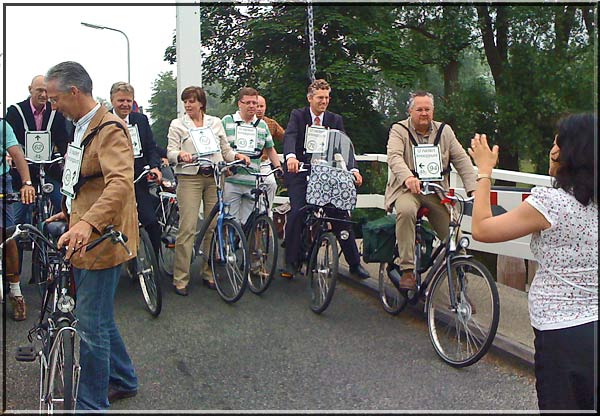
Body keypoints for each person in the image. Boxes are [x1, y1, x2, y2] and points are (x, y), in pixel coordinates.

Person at [469, 113, 597, 411]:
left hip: (561, 335)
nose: (552, 150)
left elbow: (482, 229)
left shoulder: (552, 204)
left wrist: (484, 172)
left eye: (556, 143)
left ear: (567, 153)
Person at [44, 61, 139, 410]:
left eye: (56, 99)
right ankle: (125, 379)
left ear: (74, 92)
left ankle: (91, 404)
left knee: (90, 324)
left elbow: (119, 184)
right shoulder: (83, 126)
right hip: (86, 233)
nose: (53, 106)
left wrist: (87, 223)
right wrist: (71, 213)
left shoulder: (109, 128)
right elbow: (86, 179)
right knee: (97, 316)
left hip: (103, 238)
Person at [384, 90, 477, 289]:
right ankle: (407, 269)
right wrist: (408, 177)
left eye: (427, 109)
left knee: (456, 239)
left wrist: (473, 189)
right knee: (406, 211)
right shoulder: (399, 130)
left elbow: (461, 159)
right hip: (407, 190)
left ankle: (460, 289)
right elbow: (394, 156)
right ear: (410, 111)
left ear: (433, 110)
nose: (424, 113)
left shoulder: (445, 131)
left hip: (435, 191)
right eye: (419, 109)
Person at [282, 79, 370, 279]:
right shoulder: (298, 115)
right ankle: (291, 261)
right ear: (310, 98)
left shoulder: (334, 119)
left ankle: (354, 263)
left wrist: (353, 169)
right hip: (301, 171)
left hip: (326, 174)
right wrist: (291, 157)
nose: (324, 101)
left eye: (327, 97)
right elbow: (290, 137)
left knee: (339, 214)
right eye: (320, 97)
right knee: (299, 211)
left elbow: (344, 146)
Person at [166, 86, 250, 295]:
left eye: (192, 101)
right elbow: (170, 152)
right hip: (189, 177)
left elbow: (225, 151)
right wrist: (180, 155)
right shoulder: (178, 125)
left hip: (213, 177)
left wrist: (237, 157)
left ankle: (208, 272)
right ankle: (181, 278)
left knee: (213, 226)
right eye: (185, 102)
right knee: (188, 226)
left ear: (201, 103)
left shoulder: (215, 123)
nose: (188, 105)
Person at [5, 75, 69, 221]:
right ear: (30, 90)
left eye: (46, 91)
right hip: (22, 172)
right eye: (39, 90)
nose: (44, 95)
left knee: (63, 204)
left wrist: (67, 156)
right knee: (16, 215)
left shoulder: (56, 112)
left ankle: (59, 239)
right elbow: (10, 141)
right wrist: (9, 156)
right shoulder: (15, 112)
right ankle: (19, 239)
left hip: (47, 170)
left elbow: (62, 139)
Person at [109, 81, 162, 255]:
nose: (125, 104)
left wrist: (154, 167)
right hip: (112, 181)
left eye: (128, 101)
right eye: (121, 100)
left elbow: (151, 147)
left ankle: (155, 262)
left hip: (137, 179)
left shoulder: (141, 120)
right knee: (113, 225)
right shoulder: (104, 120)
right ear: (112, 100)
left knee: (151, 222)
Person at [221, 87, 282, 224]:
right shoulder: (227, 121)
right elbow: (220, 147)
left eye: (254, 103)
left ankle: (245, 245)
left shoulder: (262, 126)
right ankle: (227, 245)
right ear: (239, 104)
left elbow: (270, 148)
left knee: (248, 223)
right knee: (230, 220)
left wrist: (278, 167)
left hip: (252, 180)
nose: (252, 106)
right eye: (248, 103)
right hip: (232, 180)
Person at [1, 119, 35, 321]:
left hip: (1, 180)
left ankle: (16, 293)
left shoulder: (2, 126)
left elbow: (16, 153)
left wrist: (27, 183)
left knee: (8, 234)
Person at [256, 94, 285, 211]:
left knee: (271, 184)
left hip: (264, 163)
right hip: (248, 162)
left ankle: (267, 212)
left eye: (261, 106)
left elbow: (285, 137)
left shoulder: (271, 124)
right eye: (257, 106)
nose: (259, 109)